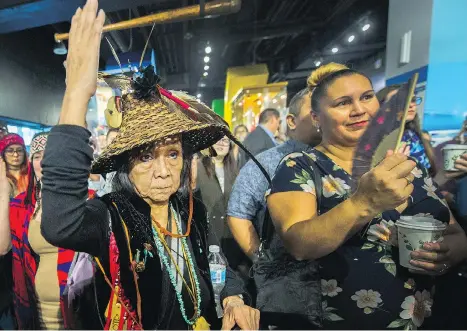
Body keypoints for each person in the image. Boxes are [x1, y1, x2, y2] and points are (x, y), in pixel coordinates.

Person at [40, 1, 259, 330]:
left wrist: (233, 297)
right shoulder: (112, 217)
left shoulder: (189, 208)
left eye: (172, 154)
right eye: (145, 156)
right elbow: (59, 224)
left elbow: (216, 262)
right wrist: (76, 94)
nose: (163, 171)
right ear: (126, 165)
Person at [265, 63, 467, 329]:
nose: (359, 109)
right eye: (342, 103)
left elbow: (456, 234)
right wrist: (364, 202)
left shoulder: (403, 165)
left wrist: (446, 254)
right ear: (316, 117)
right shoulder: (301, 165)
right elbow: (299, 243)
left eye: (367, 97)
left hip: (425, 318)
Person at [228, 88, 321, 261]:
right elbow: (239, 213)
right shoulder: (265, 162)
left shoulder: (358, 160)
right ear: (291, 121)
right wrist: (262, 262)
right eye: (315, 109)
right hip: (288, 278)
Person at [0, 132, 77, 329]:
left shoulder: (85, 200)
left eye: (49, 154)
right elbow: (3, 247)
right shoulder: (22, 206)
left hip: (78, 310)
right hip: (38, 313)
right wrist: (2, 188)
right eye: (36, 156)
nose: (43, 162)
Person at [196, 136, 244, 269]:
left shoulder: (235, 170)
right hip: (207, 232)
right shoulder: (198, 168)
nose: (221, 143)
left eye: (225, 140)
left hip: (230, 234)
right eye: (217, 140)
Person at [376, 85, 437, 176]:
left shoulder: (416, 137)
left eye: (413, 100)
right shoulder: (374, 142)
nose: (411, 104)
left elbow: (429, 176)